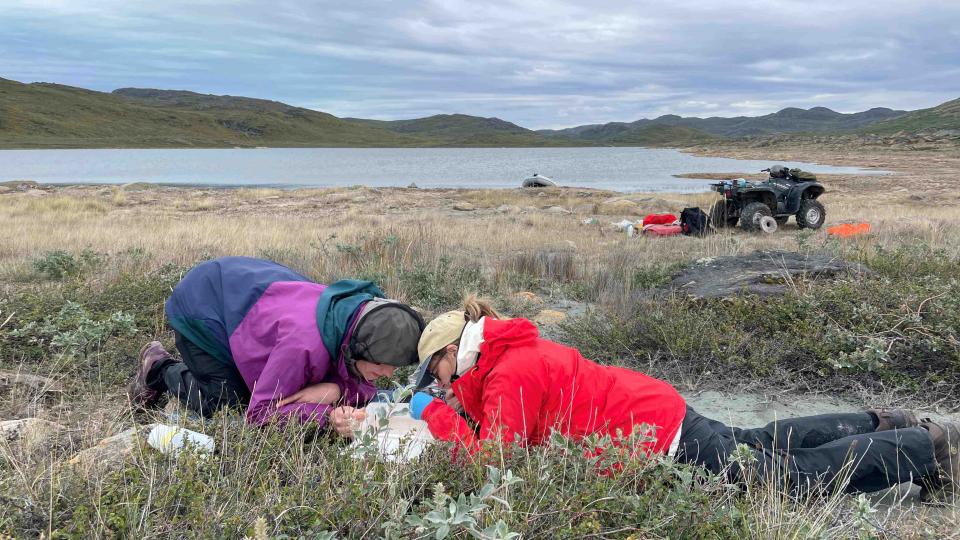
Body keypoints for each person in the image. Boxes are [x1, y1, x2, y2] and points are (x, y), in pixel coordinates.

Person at [407, 296, 959, 495]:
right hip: (656, 411)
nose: (440, 383)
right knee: (761, 443)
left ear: (455, 351)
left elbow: (496, 461)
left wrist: (435, 415)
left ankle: (927, 447)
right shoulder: (508, 357)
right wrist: (462, 407)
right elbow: (516, 428)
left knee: (781, 478)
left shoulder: (507, 374)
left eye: (437, 371)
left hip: (658, 436)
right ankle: (885, 421)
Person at [127, 256, 424, 432]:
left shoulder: (360, 322)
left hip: (245, 293)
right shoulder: (303, 346)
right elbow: (261, 413)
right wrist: (327, 416)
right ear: (358, 347)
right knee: (231, 403)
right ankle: (159, 368)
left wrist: (337, 389)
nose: (387, 374)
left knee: (293, 387)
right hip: (203, 307)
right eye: (381, 365)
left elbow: (352, 377)